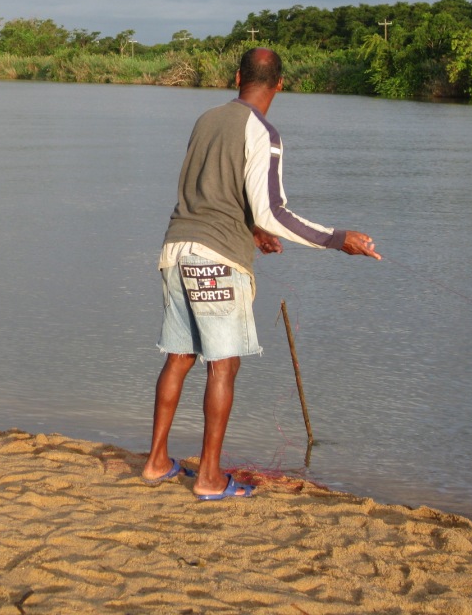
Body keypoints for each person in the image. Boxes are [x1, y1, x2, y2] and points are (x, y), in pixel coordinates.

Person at [141, 47, 381, 500]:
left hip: (175, 249)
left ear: (237, 77)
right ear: (281, 84)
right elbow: (273, 211)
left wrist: (252, 230)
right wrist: (338, 238)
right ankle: (210, 478)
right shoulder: (263, 132)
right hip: (215, 259)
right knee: (223, 366)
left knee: (179, 356)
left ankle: (156, 462)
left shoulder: (207, 118)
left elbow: (214, 192)